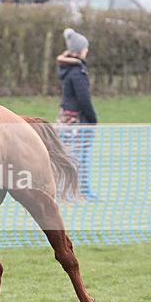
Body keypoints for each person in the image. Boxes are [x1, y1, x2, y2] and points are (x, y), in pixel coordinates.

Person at [56, 28, 98, 200]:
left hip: (65, 118)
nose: (87, 50)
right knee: (78, 156)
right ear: (81, 50)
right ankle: (77, 191)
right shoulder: (77, 72)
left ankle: (78, 190)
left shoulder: (68, 69)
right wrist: (93, 119)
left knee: (69, 156)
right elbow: (84, 100)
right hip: (76, 121)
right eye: (85, 47)